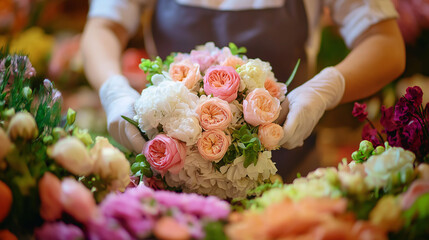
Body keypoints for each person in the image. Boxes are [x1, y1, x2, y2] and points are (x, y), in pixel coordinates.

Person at [81, 0, 405, 179]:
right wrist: (114, 90)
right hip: (169, 180)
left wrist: (325, 89)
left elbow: (385, 43)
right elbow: (104, 26)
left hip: (290, 175)